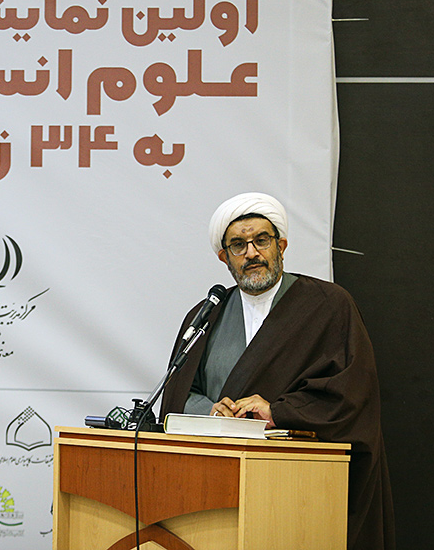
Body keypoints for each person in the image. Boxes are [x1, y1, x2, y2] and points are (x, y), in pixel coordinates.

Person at [159, 192, 395, 550]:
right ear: (224, 257)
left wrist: (278, 412)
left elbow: (352, 392)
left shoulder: (329, 305)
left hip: (300, 488)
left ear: (281, 245)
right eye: (238, 245)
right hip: (214, 487)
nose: (252, 253)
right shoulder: (206, 315)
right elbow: (178, 394)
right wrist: (210, 411)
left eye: (262, 240)